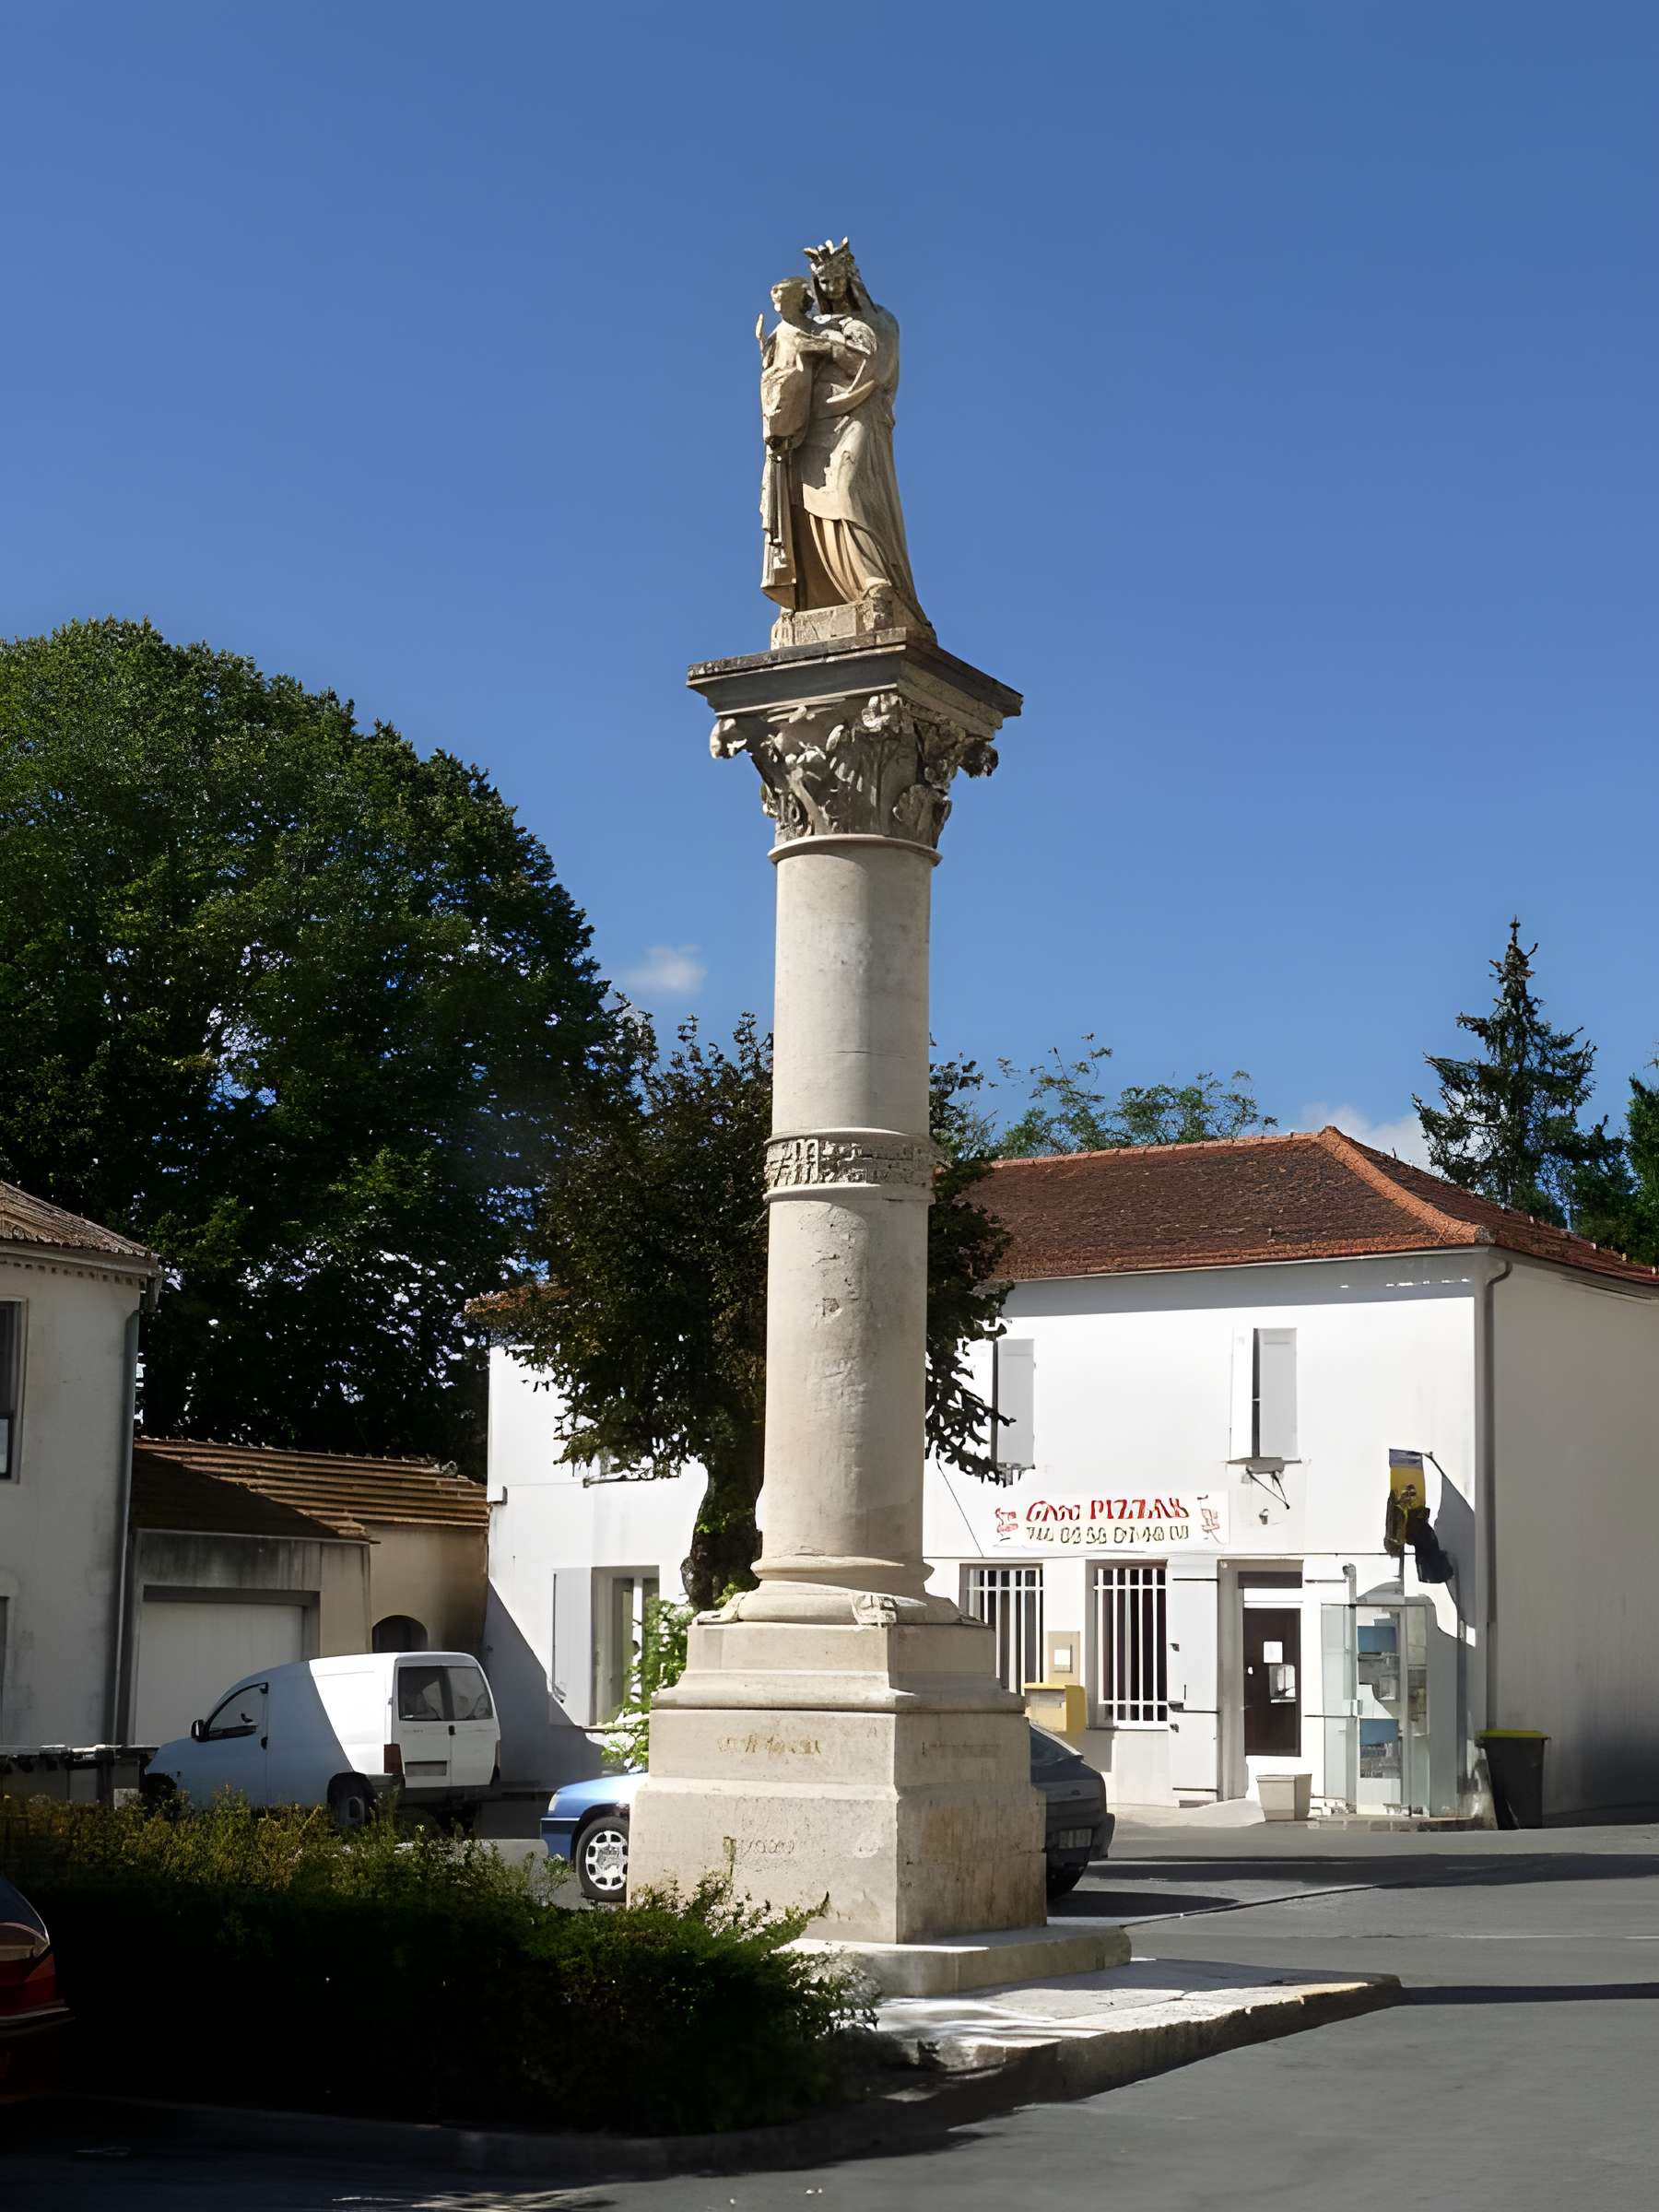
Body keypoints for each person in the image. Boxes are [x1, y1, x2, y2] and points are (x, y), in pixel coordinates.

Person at [757, 241, 931, 638]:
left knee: (849, 490)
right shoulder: (810, 327)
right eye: (823, 282)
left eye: (836, 280)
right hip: (812, 424)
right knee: (804, 501)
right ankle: (817, 594)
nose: (830, 289)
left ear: (851, 280)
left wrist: (826, 347)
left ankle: (873, 583)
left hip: (858, 415)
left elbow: (876, 367)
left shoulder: (879, 321)